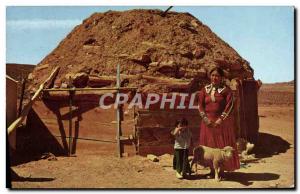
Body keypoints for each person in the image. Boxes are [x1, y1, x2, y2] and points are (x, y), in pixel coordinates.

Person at [198, 67, 240, 178]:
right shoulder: (204, 90)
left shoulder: (226, 91)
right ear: (210, 76)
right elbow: (200, 106)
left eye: (217, 75)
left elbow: (229, 106)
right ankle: (212, 171)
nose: (214, 77)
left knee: (221, 147)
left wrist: (220, 120)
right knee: (209, 147)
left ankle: (221, 172)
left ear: (221, 77)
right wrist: (205, 119)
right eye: (213, 75)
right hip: (207, 124)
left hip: (221, 124)